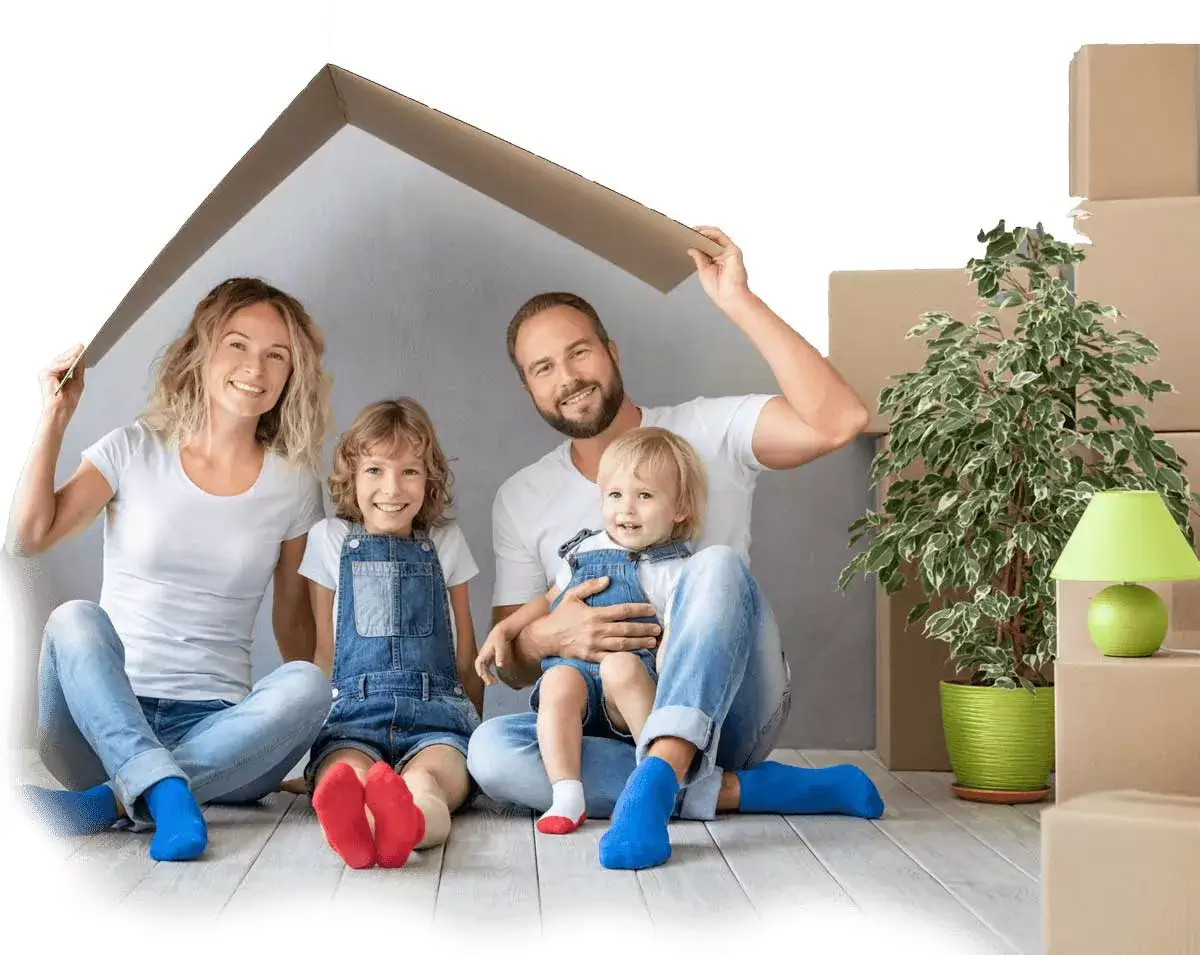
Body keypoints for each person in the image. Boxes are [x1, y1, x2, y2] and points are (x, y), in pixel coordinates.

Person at [467, 226, 885, 871]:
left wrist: (738, 301)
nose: (568, 378)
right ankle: (744, 788)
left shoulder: (707, 429)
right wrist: (553, 636)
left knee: (714, 563)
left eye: (579, 353)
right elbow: (514, 663)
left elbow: (841, 421)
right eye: (543, 368)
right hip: (609, 711)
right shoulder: (523, 497)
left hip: (736, 705)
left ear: (611, 351)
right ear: (529, 388)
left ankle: (660, 780)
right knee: (493, 751)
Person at [9, 277, 335, 862]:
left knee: (311, 684)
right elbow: (30, 537)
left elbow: (294, 626)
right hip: (99, 724)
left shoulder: (294, 487)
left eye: (275, 355)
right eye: (237, 344)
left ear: (292, 374)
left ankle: (107, 803)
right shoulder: (134, 448)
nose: (254, 368)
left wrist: (306, 731)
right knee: (73, 618)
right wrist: (54, 416)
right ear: (202, 352)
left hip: (220, 736)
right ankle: (153, 787)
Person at [475, 426, 704, 836]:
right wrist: (505, 629)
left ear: (681, 508)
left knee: (620, 667)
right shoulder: (585, 549)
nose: (626, 510)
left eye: (645, 496)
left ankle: (652, 780)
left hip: (632, 689)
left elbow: (681, 633)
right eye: (615, 495)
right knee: (558, 678)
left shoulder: (676, 569)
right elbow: (548, 600)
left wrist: (669, 662)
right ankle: (567, 792)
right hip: (581, 688)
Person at [297, 398, 484, 869]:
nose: (392, 488)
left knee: (430, 784)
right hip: (353, 712)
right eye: (375, 471)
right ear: (352, 477)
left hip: (438, 716)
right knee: (343, 773)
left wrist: (473, 734)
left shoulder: (446, 540)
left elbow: (467, 651)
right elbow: (324, 652)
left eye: (410, 472)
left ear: (430, 479)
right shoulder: (329, 539)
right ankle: (357, 824)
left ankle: (410, 825)